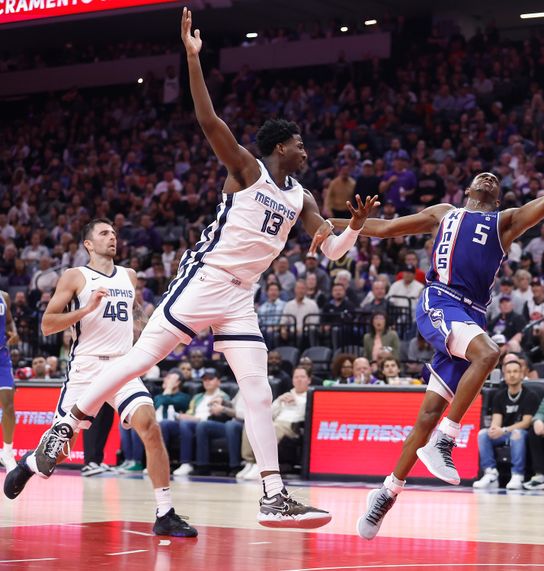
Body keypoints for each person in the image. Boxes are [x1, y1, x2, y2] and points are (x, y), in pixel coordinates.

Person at [22, 8, 377, 529]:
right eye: (300, 144)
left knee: (257, 388)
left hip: (240, 297)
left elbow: (331, 252)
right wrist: (192, 58)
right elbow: (208, 119)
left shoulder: (301, 198)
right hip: (203, 280)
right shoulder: (248, 169)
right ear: (281, 146)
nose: (306, 150)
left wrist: (355, 228)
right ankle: (67, 426)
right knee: (141, 359)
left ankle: (273, 495)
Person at [314, 125, 544, 540]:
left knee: (425, 416)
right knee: (489, 354)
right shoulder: (444, 213)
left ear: (497, 198)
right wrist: (330, 223)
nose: (489, 177)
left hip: (469, 316)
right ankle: (447, 441)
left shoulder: (504, 223)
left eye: (496, 181)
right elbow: (384, 227)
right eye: (483, 175)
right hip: (439, 300)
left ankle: (386, 492)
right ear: (470, 188)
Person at [3, 219, 197, 537]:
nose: (112, 237)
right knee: (62, 450)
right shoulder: (75, 276)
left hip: (123, 366)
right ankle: (30, 463)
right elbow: (48, 324)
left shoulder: (129, 276)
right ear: (88, 244)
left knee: (150, 426)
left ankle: (165, 513)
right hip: (86, 368)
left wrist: (156, 324)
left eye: (114, 233)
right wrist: (86, 309)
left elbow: (135, 313)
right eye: (104, 233)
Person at [472, 359, 538, 490]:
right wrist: (494, 429)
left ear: (521, 374)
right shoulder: (499, 396)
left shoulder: (530, 395)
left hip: (523, 433)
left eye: (515, 371)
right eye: (508, 372)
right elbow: (496, 421)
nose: (512, 375)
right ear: (504, 375)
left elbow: (526, 423)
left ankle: (517, 475)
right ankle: (491, 473)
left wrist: (504, 430)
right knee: (483, 434)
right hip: (505, 432)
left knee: (517, 434)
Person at [0, 289, 19, 470]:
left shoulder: (4, 296)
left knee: (9, 406)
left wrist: (13, 332)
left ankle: (7, 450)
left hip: (2, 358)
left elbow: (9, 321)